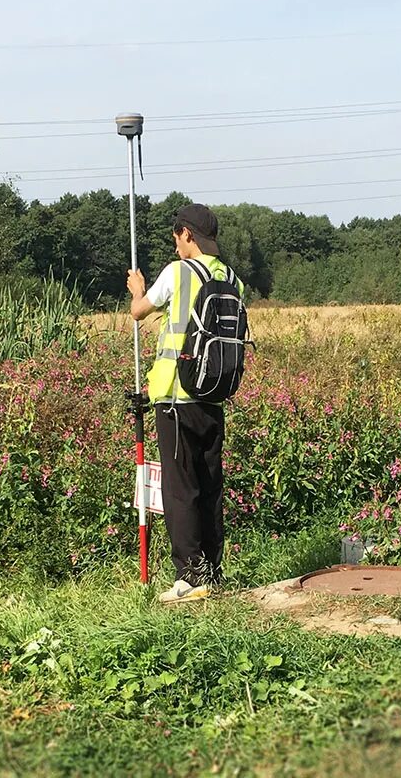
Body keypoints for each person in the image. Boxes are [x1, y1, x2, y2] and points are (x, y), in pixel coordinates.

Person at [126, 203, 242, 604]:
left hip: (176, 394)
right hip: (214, 395)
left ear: (187, 235)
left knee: (181, 487)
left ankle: (190, 577)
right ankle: (212, 570)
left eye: (177, 237)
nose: (175, 245)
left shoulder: (178, 273)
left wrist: (137, 289)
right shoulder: (231, 279)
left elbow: (139, 312)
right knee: (210, 486)